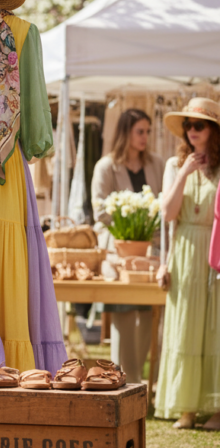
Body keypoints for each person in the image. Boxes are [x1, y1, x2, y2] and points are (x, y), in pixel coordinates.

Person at [155, 98, 220, 430]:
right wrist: (185, 171)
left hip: (216, 254)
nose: (192, 131)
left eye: (199, 125)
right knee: (183, 330)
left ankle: (217, 408)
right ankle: (187, 408)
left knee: (215, 331)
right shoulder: (173, 164)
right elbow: (167, 214)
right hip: (184, 254)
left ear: (213, 130)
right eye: (188, 126)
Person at [90, 109, 165, 384]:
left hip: (150, 254)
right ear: (126, 133)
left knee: (146, 316)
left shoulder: (156, 163)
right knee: (123, 318)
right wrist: (128, 227)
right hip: (117, 255)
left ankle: (139, 382)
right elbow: (100, 212)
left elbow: (162, 206)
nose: (145, 137)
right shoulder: (105, 166)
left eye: (147, 131)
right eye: (140, 131)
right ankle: (127, 383)